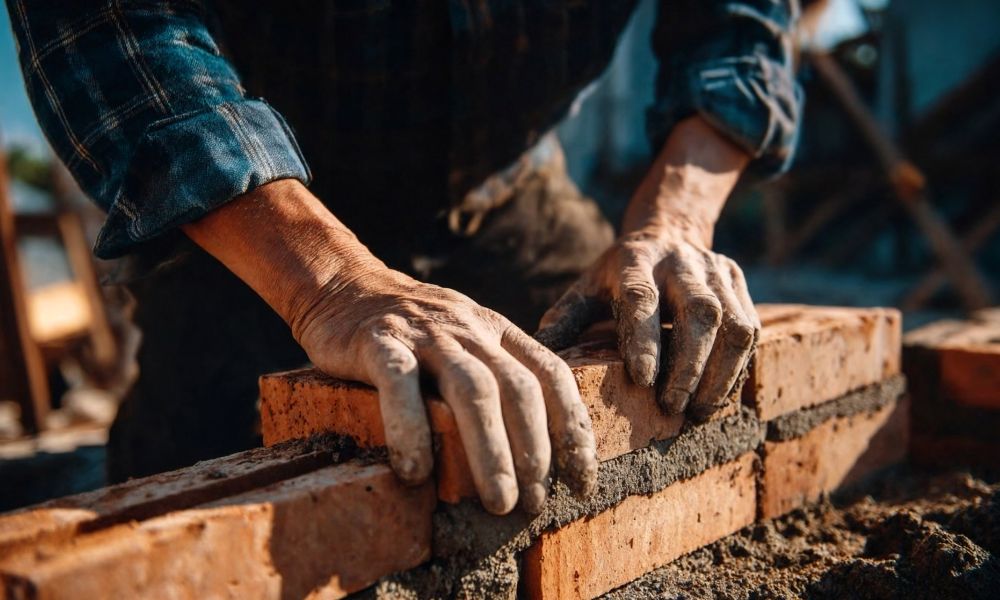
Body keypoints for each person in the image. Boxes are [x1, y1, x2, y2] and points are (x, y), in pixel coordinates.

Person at [7, 0, 800, 515]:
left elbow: (734, 28)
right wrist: (335, 286)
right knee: (181, 491)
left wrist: (674, 223)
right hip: (254, 228)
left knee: (611, 396)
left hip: (506, 190)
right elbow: (113, 34)